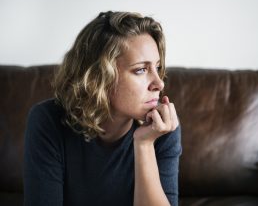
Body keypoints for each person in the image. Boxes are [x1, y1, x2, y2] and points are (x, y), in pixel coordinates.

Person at [24, 11, 182, 206]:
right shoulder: (48, 121)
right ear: (99, 78)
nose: (159, 83)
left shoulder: (162, 127)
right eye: (141, 69)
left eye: (157, 68)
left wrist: (144, 144)